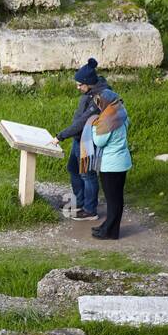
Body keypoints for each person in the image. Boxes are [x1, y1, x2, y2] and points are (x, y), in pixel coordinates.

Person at [56, 59, 107, 220]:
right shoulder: (90, 92)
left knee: (87, 174)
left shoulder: (100, 98)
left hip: (87, 141)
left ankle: (90, 210)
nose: (77, 87)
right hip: (79, 138)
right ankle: (79, 201)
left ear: (88, 83)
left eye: (79, 84)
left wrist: (61, 135)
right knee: (73, 168)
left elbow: (84, 120)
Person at [79, 89, 132, 240]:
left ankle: (110, 232)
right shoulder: (120, 113)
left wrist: (94, 127)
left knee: (113, 200)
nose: (98, 105)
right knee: (116, 198)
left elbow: (99, 141)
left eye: (99, 102)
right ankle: (108, 227)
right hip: (121, 162)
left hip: (111, 165)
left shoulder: (108, 120)